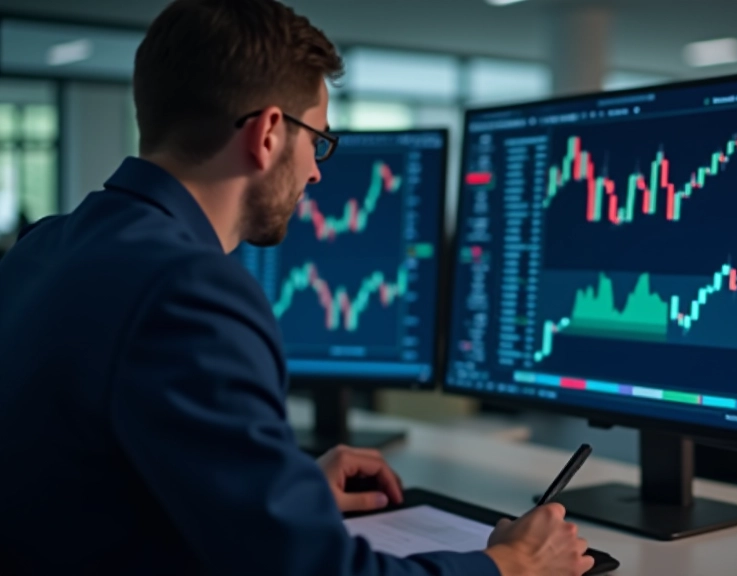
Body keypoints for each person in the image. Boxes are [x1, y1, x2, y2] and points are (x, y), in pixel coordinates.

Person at [0, 1, 594, 575]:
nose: (315, 170)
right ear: (267, 133)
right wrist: (509, 564)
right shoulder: (191, 290)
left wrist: (281, 492)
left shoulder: (44, 246)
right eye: (319, 140)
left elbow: (92, 488)